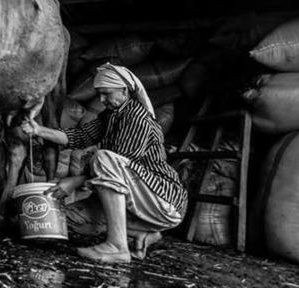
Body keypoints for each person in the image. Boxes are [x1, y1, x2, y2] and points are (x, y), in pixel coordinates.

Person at [21, 62, 187, 263]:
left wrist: (74, 181)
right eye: (99, 94)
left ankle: (117, 247)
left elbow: (119, 164)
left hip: (162, 199)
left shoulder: (137, 119)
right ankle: (142, 234)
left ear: (124, 90)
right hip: (136, 199)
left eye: (106, 93)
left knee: (103, 157)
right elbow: (79, 137)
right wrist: (38, 130)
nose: (101, 99)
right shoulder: (110, 116)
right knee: (70, 219)